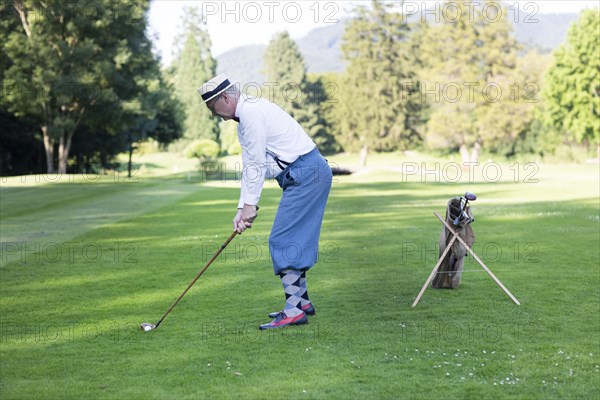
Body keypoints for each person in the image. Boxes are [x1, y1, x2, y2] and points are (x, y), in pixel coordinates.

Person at [198, 73, 332, 330]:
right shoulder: (248, 115)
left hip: (306, 175)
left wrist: (250, 205)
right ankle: (301, 302)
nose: (216, 115)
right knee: (294, 239)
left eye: (214, 108)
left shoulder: (251, 114)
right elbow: (253, 165)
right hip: (307, 173)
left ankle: (293, 310)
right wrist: (243, 207)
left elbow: (257, 164)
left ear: (225, 98)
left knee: (283, 240)